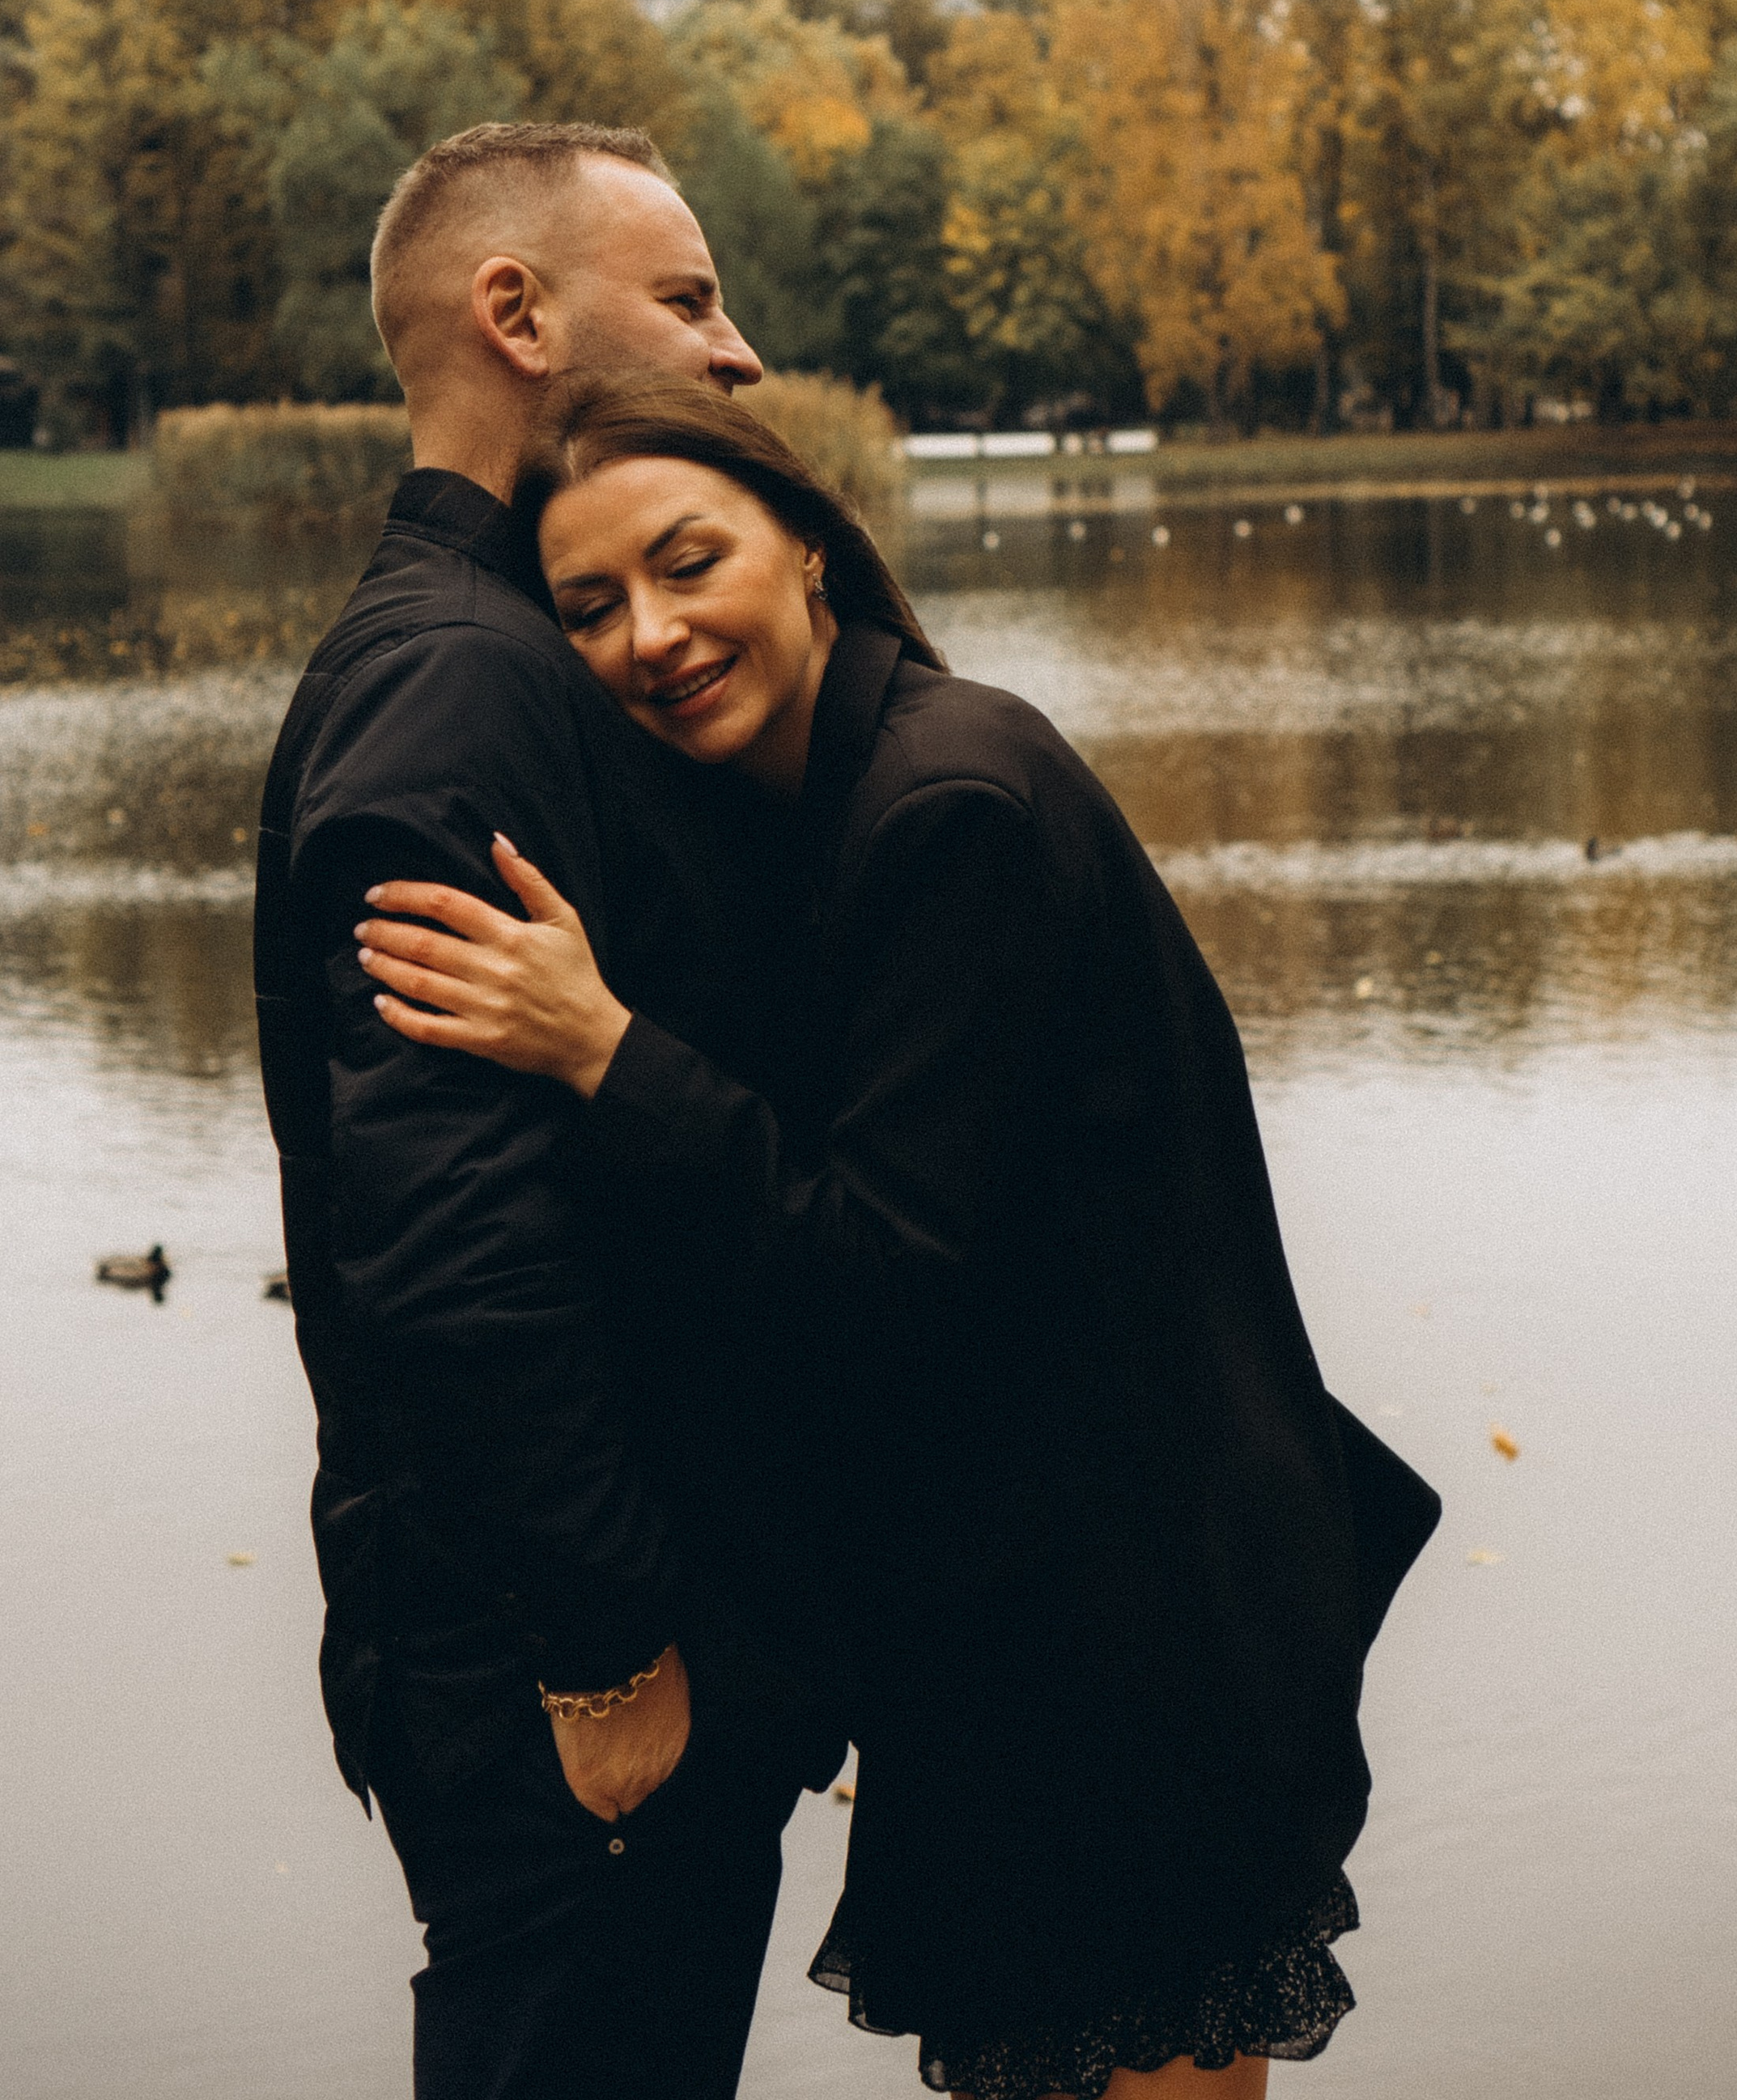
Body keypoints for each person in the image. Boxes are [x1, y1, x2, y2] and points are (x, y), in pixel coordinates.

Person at [355, 371, 1442, 2100]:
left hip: (1128, 1658)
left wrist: (601, 1050)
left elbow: (892, 1277)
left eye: (686, 561)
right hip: (1035, 1643)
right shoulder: (836, 799)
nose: (648, 631)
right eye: (589, 608)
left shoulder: (949, 811)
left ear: (805, 547)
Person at [253, 123, 843, 2100]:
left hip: (600, 1628)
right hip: (559, 1666)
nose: (734, 351)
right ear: (516, 313)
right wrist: (605, 1650)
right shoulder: (461, 686)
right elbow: (441, 1226)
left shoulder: (528, 652)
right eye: (685, 300)